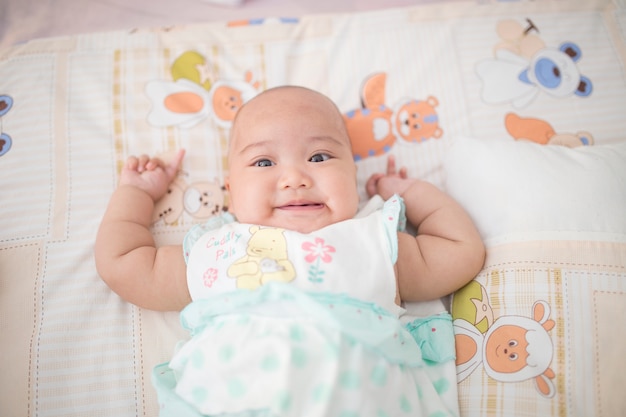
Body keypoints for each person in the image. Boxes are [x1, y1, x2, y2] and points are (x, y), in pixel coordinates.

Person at [95, 86, 485, 416]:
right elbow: (124, 264)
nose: (295, 178)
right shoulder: (214, 250)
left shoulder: (372, 241)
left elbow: (460, 252)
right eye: (264, 161)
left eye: (319, 157)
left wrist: (409, 193)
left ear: (353, 175)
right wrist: (135, 195)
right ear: (230, 189)